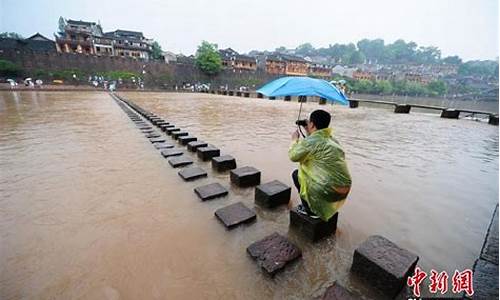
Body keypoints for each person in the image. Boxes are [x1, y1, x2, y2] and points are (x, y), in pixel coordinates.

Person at [289, 109, 352, 221]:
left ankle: (310, 210)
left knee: (297, 174)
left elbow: (293, 156)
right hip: (342, 189)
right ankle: (320, 206)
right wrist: (308, 132)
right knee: (310, 168)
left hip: (328, 190)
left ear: (312, 124)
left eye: (309, 123)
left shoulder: (312, 142)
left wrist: (294, 140)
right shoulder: (331, 140)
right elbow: (314, 148)